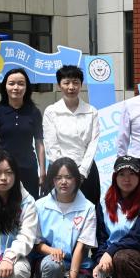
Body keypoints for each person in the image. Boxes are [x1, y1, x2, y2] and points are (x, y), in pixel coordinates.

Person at [33, 157, 97, 278]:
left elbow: (81, 248)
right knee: (52, 263)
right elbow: (37, 243)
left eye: (68, 177)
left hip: (77, 267)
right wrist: (51, 251)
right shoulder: (40, 205)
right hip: (50, 265)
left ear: (76, 179)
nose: (63, 182)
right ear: (52, 180)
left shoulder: (88, 208)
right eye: (58, 177)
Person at [44, 65, 102, 201]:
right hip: (58, 172)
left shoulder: (91, 111)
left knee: (89, 208)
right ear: (59, 85)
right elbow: (51, 145)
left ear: (81, 85)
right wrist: (63, 173)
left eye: (76, 82)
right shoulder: (51, 111)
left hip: (86, 171)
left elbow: (93, 144)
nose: (71, 87)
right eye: (66, 83)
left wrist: (81, 172)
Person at [0, 68, 45, 198]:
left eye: (21, 83)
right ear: (5, 86)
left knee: (29, 204)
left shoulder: (34, 112)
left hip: (28, 168)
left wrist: (42, 170)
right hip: (4, 170)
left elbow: (39, 143)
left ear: (26, 87)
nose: (16, 87)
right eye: (11, 83)